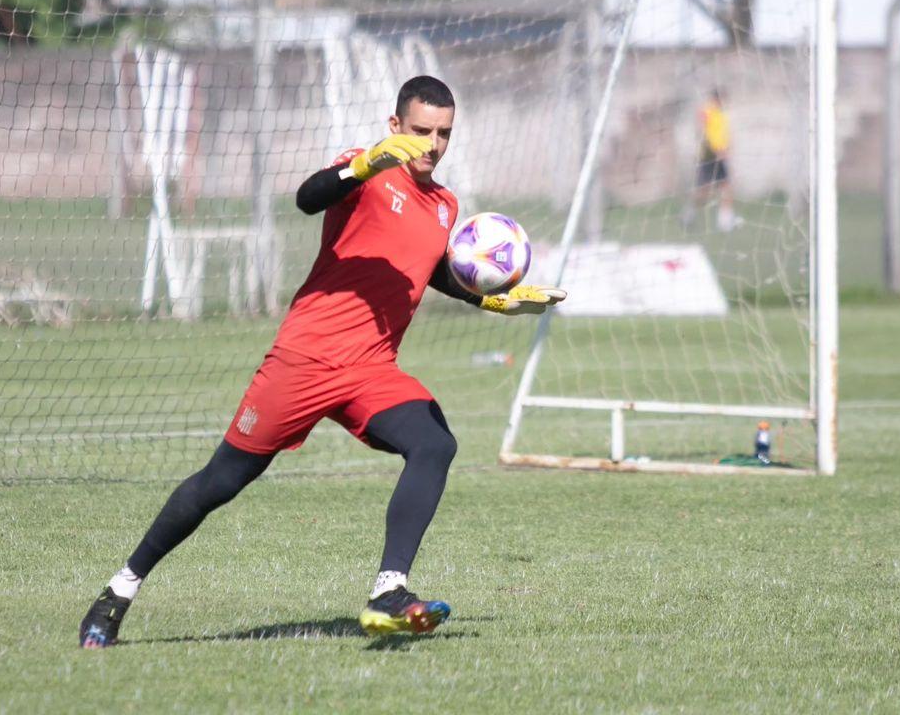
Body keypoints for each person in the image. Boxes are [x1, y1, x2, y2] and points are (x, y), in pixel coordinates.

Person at [79, 75, 566, 648]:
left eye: (443, 134)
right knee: (223, 480)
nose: (432, 145)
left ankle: (389, 591)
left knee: (435, 444)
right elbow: (308, 198)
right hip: (304, 360)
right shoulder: (364, 171)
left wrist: (491, 297)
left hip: (370, 368)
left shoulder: (445, 205)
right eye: (420, 131)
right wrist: (364, 164)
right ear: (394, 127)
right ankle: (120, 589)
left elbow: (431, 266)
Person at [684, 88, 741, 232]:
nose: (724, 102)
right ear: (716, 98)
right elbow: (702, 131)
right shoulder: (707, 111)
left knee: (726, 186)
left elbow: (723, 133)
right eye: (722, 98)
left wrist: (728, 148)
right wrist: (714, 150)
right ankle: (690, 212)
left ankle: (724, 220)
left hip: (720, 155)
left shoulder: (722, 114)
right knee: (705, 190)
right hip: (710, 155)